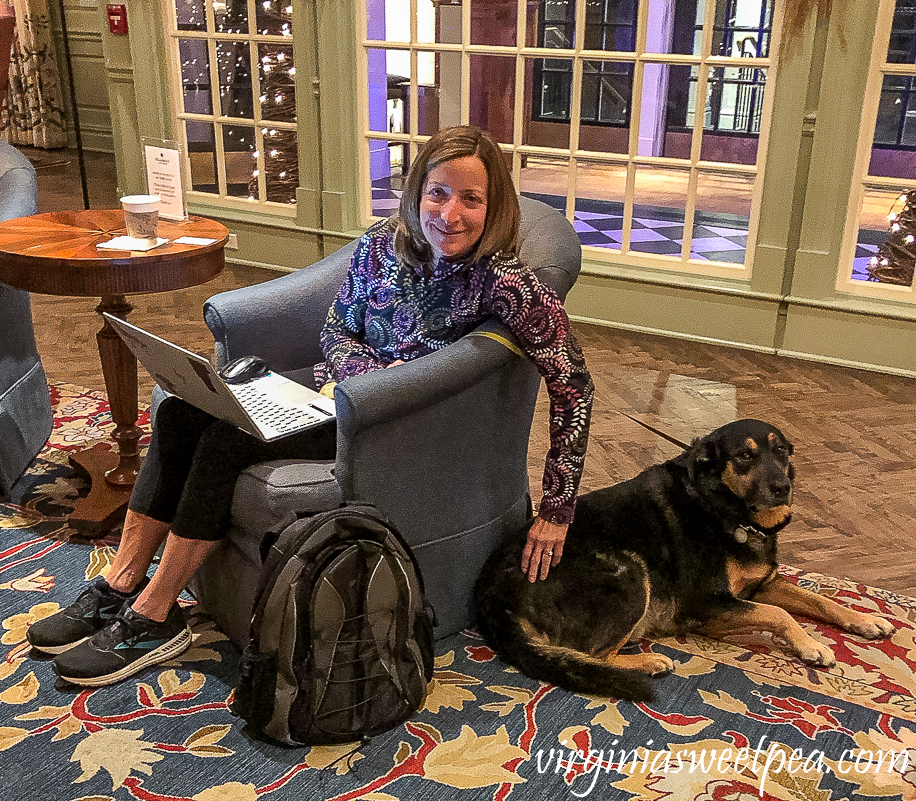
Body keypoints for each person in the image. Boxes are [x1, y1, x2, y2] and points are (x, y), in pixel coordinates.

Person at [27, 125, 594, 686]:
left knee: (227, 438)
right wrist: (361, 371)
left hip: (392, 422)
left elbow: (574, 385)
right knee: (183, 408)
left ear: (494, 208)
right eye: (438, 193)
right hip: (334, 392)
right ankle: (122, 580)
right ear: (418, 191)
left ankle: (154, 614)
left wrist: (556, 509)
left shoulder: (509, 284)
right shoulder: (383, 244)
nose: (450, 214)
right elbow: (339, 330)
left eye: (472, 199)